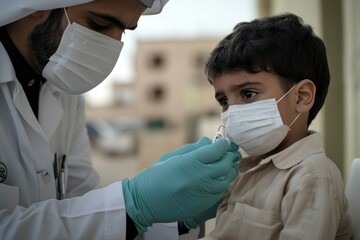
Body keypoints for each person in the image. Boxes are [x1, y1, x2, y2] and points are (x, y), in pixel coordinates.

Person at [0, 0, 241, 239]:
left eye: (124, 30)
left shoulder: (63, 94)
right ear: (38, 6)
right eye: (99, 23)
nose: (112, 44)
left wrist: (177, 220)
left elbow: (82, 210)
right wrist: (135, 203)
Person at [201, 13, 352, 239]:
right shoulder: (243, 168)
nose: (232, 112)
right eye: (224, 101)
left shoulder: (311, 176)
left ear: (301, 97)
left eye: (248, 93)